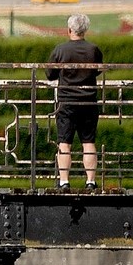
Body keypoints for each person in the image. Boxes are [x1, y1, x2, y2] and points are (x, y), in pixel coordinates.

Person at [47, 13, 104, 190]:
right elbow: (98, 70)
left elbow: (50, 74)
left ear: (69, 29)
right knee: (88, 142)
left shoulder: (60, 49)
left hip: (66, 102)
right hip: (88, 101)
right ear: (85, 30)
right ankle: (91, 181)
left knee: (64, 142)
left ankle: (64, 181)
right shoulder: (93, 49)